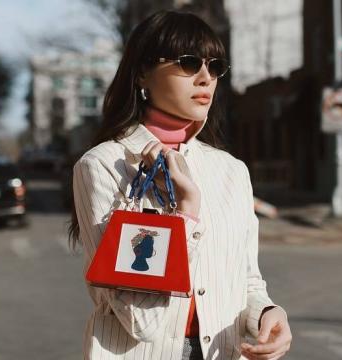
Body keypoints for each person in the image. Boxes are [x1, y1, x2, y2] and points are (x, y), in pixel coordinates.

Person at [69, 10, 292, 360]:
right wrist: (185, 218)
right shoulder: (104, 166)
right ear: (142, 72)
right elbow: (137, 318)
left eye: (215, 66)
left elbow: (247, 280)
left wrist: (265, 313)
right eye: (188, 63)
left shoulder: (231, 171)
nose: (206, 77)